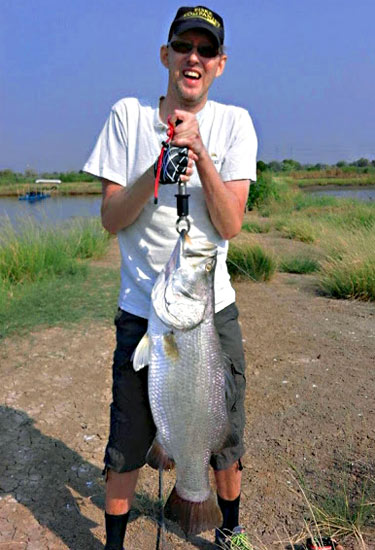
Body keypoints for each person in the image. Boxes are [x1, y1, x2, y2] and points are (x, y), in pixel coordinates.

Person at [83, 5, 257, 549]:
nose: (194, 58)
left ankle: (228, 531)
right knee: (128, 439)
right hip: (142, 309)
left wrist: (200, 154)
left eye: (206, 50)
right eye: (184, 46)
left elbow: (231, 224)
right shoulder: (128, 117)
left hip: (209, 310)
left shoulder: (235, 124)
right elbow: (112, 219)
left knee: (222, 435)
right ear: (166, 55)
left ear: (220, 64)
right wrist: (154, 171)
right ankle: (113, 543)